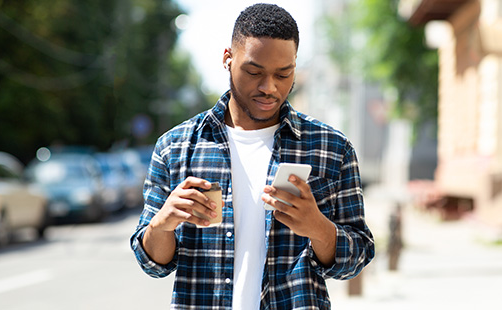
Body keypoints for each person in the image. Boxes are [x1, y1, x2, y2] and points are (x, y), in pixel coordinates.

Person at [131, 3, 374, 309]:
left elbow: (359, 255)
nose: (269, 88)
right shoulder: (175, 147)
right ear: (227, 59)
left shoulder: (332, 148)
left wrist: (318, 228)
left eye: (283, 74)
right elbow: (152, 264)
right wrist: (161, 225)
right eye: (254, 71)